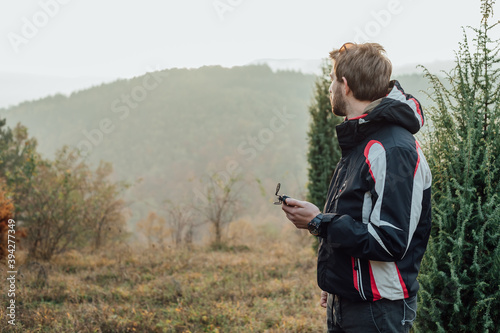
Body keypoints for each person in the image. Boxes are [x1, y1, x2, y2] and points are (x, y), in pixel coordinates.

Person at [281, 42, 432, 333]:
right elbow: (356, 216)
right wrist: (337, 280)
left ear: (345, 85)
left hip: (377, 311)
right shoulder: (362, 140)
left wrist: (318, 221)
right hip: (349, 300)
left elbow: (390, 240)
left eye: (332, 80)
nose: (330, 89)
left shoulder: (392, 149)